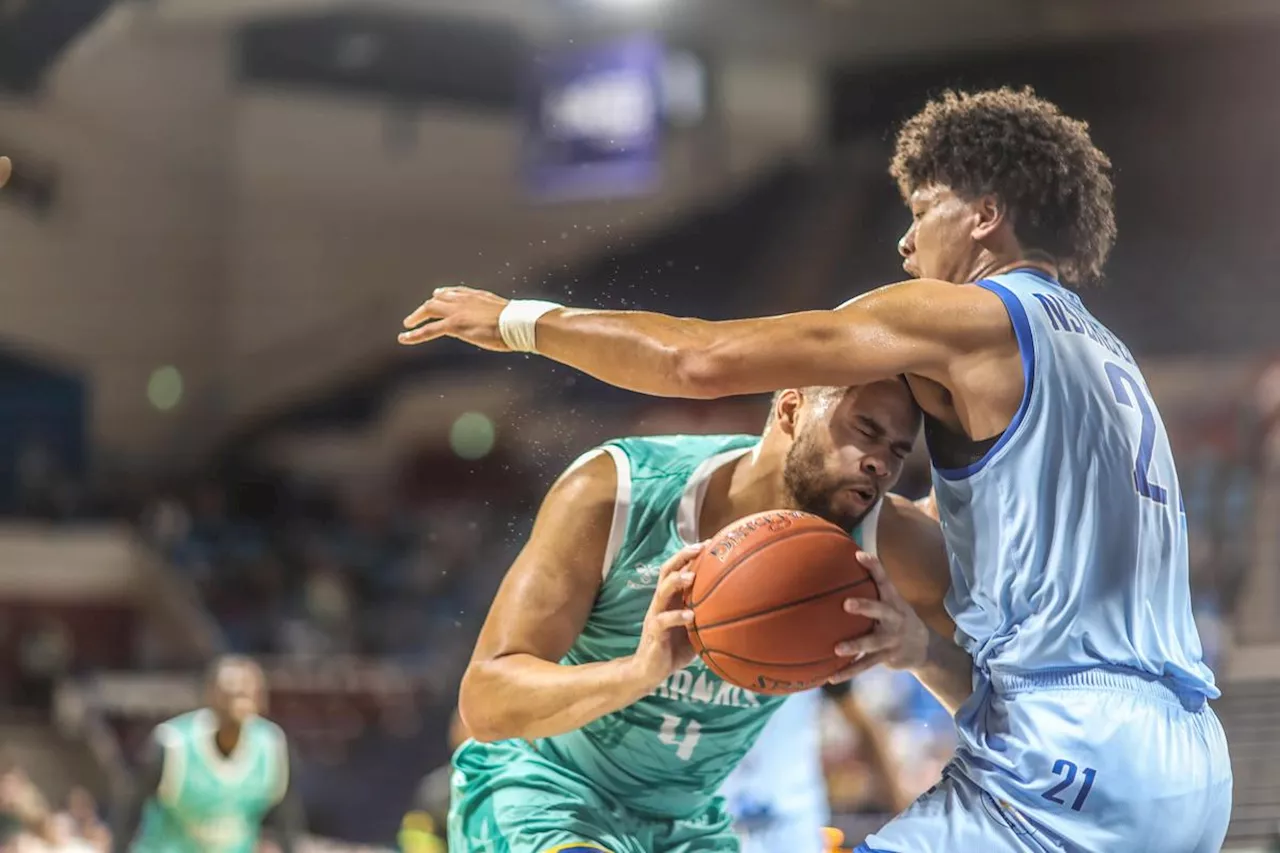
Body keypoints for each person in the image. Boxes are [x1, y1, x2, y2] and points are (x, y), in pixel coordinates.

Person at [400, 87, 1233, 852]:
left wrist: (516, 318)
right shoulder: (1113, 363)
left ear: (984, 214)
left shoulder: (973, 320)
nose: (906, 242)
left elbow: (702, 360)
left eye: (921, 209)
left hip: (1069, 755)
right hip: (1187, 765)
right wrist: (918, 652)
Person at [448, 382, 952, 853]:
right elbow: (486, 701)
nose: (880, 463)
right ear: (791, 409)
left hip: (690, 821)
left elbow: (1011, 689)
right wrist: (637, 673)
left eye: (898, 451)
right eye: (866, 430)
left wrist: (921, 651)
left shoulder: (888, 543)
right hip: (546, 790)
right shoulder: (618, 491)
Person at [111, 657, 305, 853]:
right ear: (209, 694)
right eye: (230, 687)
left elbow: (286, 818)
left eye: (247, 688)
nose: (239, 692)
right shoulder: (173, 745)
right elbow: (129, 811)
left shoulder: (272, 746)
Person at [719, 682, 909, 853]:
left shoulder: (812, 652)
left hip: (792, 819)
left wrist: (900, 807)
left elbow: (862, 726)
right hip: (717, 814)